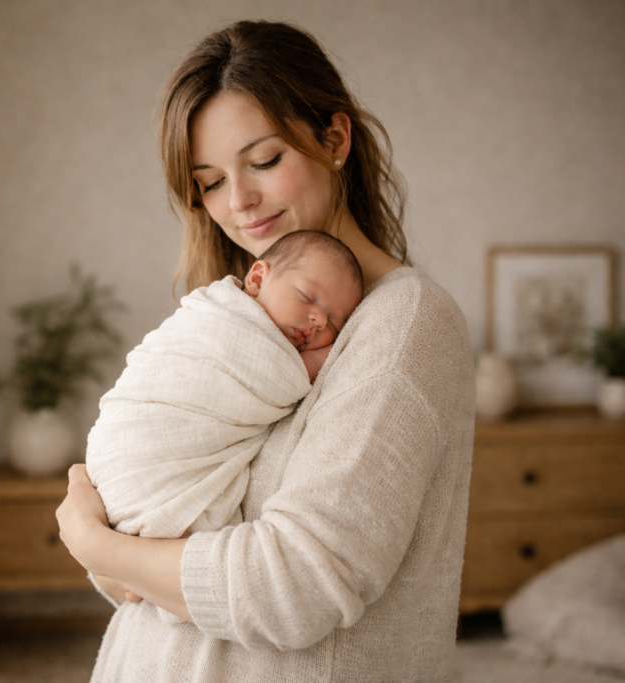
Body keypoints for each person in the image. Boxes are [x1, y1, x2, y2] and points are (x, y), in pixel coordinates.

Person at [55, 19, 475, 683]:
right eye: (211, 181)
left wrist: (93, 541)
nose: (239, 202)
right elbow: (145, 558)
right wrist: (116, 544)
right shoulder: (242, 325)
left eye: (265, 161)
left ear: (335, 140)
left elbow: (298, 584)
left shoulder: (404, 324)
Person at [86, 231, 362, 625]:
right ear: (257, 279)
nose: (318, 320)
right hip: (132, 443)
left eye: (336, 321)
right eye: (307, 297)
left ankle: (144, 561)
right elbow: (288, 372)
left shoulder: (277, 349)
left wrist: (97, 548)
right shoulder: (216, 319)